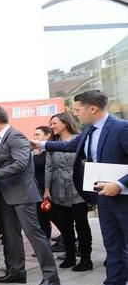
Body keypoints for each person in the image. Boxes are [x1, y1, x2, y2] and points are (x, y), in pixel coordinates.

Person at [34, 90, 126, 285]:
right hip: (103, 197)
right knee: (113, 246)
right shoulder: (88, 130)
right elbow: (69, 146)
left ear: (92, 108)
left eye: (77, 110)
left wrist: (120, 184)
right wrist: (41, 144)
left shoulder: (121, 128)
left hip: (122, 198)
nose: (75, 115)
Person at [0, 106, 60, 285]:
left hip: (22, 194)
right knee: (11, 235)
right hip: (6, 195)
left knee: (34, 234)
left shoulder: (16, 137)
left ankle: (51, 277)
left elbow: (21, 164)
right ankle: (16, 272)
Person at [44, 113, 93, 271]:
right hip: (58, 188)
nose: (51, 126)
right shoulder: (52, 143)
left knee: (81, 224)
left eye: (54, 123)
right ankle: (70, 257)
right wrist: (46, 189)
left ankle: (86, 259)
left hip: (77, 186)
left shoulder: (80, 139)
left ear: (65, 123)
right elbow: (49, 167)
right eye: (50, 124)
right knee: (65, 226)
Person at [32, 126, 53, 243]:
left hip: (48, 189)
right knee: (41, 218)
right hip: (36, 189)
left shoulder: (50, 152)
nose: (35, 137)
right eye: (34, 134)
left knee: (53, 216)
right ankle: (45, 243)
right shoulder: (33, 153)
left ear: (47, 136)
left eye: (38, 134)